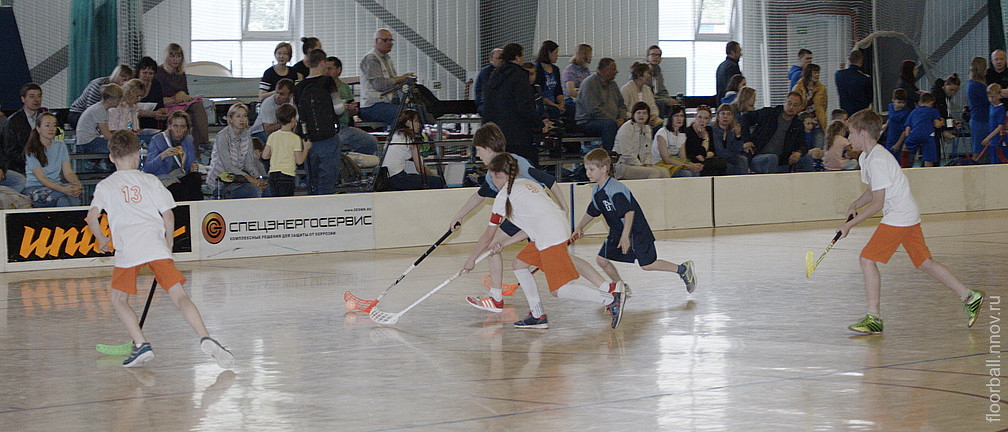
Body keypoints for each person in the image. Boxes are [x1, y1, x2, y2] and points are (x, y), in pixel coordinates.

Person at [85, 130, 235, 368]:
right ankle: (205, 336)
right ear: (138, 154)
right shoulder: (150, 180)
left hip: (128, 250)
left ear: (111, 157)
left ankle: (141, 344)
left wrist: (102, 239)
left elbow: (92, 217)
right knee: (180, 297)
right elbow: (167, 214)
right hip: (155, 246)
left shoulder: (105, 186)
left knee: (119, 299)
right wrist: (169, 243)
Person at [837, 109, 984, 334]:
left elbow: (877, 203)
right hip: (906, 214)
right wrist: (854, 205)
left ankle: (873, 317)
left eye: (851, 133)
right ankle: (970, 296)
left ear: (863, 133)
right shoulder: (867, 158)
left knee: (867, 260)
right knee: (925, 263)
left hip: (899, 216)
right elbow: (870, 191)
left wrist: (849, 225)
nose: (848, 139)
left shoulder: (877, 159)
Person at [460, 153, 627, 329]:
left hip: (550, 237)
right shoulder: (527, 184)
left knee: (558, 290)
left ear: (500, 175)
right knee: (519, 264)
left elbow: (488, 235)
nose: (492, 183)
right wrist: (502, 244)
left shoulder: (504, 196)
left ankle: (609, 298)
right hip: (551, 230)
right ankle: (537, 315)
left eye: (493, 178)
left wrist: (471, 260)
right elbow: (529, 226)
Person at [450, 123, 567, 312]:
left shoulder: (516, 163)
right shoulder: (493, 172)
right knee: (497, 248)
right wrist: (459, 216)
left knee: (561, 266)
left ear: (488, 148)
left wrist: (563, 208)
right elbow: (480, 195)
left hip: (538, 217)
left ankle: (606, 290)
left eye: (479, 150)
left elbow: (548, 180)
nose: (478, 155)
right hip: (520, 217)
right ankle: (497, 298)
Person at [574, 148, 697, 293]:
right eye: (587, 169)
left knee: (647, 265)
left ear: (604, 169)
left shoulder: (615, 190)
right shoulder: (596, 191)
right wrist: (579, 227)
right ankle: (620, 286)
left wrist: (626, 236)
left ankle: (683, 269)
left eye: (591, 169)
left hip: (636, 230)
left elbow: (629, 212)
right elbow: (592, 211)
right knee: (602, 260)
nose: (588, 173)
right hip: (618, 231)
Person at [482, 43, 546, 167]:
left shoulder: (494, 74)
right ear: (517, 58)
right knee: (526, 168)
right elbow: (525, 105)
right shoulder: (519, 75)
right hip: (518, 133)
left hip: (497, 132)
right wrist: (538, 124)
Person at [294, 48, 343, 195]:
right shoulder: (327, 81)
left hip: (308, 141)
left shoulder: (298, 87)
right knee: (327, 180)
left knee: (312, 181)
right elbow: (338, 109)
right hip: (328, 137)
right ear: (322, 62)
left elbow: (297, 115)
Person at [740, 91, 814, 173]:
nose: (791, 107)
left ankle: (810, 185)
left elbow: (803, 145)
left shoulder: (798, 124)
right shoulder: (769, 113)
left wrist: (798, 153)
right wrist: (746, 140)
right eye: (789, 103)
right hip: (758, 157)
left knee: (807, 158)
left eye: (795, 105)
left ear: (800, 108)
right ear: (784, 103)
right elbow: (745, 117)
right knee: (772, 158)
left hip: (782, 161)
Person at [155, 43, 210, 153]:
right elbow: (157, 98)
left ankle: (193, 151)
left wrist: (184, 97)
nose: (176, 59)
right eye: (172, 56)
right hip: (166, 105)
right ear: (167, 57)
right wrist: (175, 98)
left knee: (195, 108)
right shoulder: (159, 72)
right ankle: (202, 143)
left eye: (178, 56)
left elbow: (185, 93)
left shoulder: (181, 74)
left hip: (181, 105)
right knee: (191, 114)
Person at [206, 103, 267, 199]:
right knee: (254, 192)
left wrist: (258, 178)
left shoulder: (247, 137)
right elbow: (228, 167)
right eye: (238, 116)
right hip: (221, 182)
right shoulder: (223, 136)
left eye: (244, 116)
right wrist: (251, 179)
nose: (242, 119)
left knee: (265, 190)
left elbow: (249, 164)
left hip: (238, 180)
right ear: (230, 119)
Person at [360, 29, 417, 129]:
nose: (389, 43)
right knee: (404, 115)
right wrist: (400, 79)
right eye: (386, 40)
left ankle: (409, 140)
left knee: (414, 111)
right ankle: (399, 141)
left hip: (387, 102)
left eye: (391, 40)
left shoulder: (387, 59)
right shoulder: (371, 59)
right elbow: (379, 85)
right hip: (372, 105)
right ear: (377, 41)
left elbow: (394, 84)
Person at [324, 56, 380, 156]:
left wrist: (353, 109)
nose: (327, 72)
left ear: (339, 70)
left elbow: (352, 112)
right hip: (329, 130)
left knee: (371, 142)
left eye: (330, 69)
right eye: (325, 69)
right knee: (333, 145)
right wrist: (340, 108)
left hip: (345, 128)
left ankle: (358, 166)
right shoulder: (321, 88)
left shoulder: (345, 88)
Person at [24, 112, 82, 207]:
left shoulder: (60, 146)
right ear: (38, 128)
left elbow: (68, 172)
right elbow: (42, 179)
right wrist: (63, 189)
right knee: (63, 198)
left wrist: (76, 184)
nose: (51, 129)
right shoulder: (31, 150)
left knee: (72, 196)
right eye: (47, 125)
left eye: (54, 125)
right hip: (35, 188)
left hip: (56, 187)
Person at [144, 111, 203, 201]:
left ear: (186, 128)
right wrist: (163, 156)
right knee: (179, 190)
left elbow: (189, 165)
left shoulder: (188, 140)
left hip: (180, 175)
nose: (178, 130)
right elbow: (148, 168)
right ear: (169, 126)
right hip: (163, 177)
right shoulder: (158, 139)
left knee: (195, 178)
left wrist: (192, 167)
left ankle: (196, 212)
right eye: (175, 126)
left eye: (182, 126)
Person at [381, 109, 444, 190]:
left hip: (387, 178)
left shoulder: (395, 135)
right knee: (438, 182)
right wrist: (435, 176)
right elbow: (420, 169)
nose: (419, 125)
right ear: (408, 123)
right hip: (398, 179)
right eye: (416, 121)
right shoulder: (410, 138)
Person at [575, 58, 626, 152]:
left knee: (631, 123)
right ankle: (608, 156)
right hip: (588, 122)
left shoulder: (613, 84)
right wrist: (615, 120)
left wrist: (622, 118)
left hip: (612, 120)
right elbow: (593, 110)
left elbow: (621, 105)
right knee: (610, 125)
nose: (617, 72)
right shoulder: (590, 84)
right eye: (614, 69)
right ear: (605, 70)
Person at [262, 103, 310, 197]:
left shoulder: (273, 136)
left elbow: (265, 155)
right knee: (285, 203)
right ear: (293, 119)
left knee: (276, 201)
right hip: (287, 175)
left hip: (273, 174)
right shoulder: (295, 138)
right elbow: (299, 161)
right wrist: (306, 148)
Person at [0, 83, 41, 190]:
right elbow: (9, 151)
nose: (36, 100)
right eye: (32, 96)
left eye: (39, 96)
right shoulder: (12, 122)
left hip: (42, 163)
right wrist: (31, 160)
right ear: (23, 99)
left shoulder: (44, 119)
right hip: (20, 167)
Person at [612, 102, 668, 179]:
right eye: (638, 113)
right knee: (654, 172)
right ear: (633, 114)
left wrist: (647, 163)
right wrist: (641, 165)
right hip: (623, 165)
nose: (641, 115)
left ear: (648, 116)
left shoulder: (647, 128)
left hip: (639, 165)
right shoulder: (626, 128)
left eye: (644, 113)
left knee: (665, 172)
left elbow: (647, 152)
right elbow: (626, 154)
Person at [68, 65, 133, 128]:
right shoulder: (98, 85)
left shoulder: (118, 89)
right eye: (124, 80)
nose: (124, 83)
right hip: (79, 114)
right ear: (117, 76)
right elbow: (91, 108)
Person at [652, 105, 700, 177]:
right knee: (686, 174)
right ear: (671, 117)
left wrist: (692, 165)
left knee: (695, 172)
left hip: (675, 162)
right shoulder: (662, 133)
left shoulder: (682, 135)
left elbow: (683, 158)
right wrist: (686, 165)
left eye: (681, 116)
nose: (679, 119)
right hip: (660, 163)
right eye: (676, 116)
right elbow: (666, 159)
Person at [76, 84, 122, 154]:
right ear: (109, 100)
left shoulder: (103, 109)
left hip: (91, 141)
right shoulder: (99, 110)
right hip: (88, 143)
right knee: (120, 148)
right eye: (118, 100)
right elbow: (107, 136)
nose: (119, 103)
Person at [900, 92, 943, 167]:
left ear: (920, 102)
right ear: (931, 102)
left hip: (915, 134)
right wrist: (942, 121)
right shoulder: (933, 111)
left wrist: (908, 137)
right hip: (928, 135)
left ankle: (905, 168)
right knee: (929, 157)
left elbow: (907, 130)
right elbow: (937, 125)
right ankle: (928, 173)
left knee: (906, 148)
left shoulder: (913, 112)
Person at [249, 78, 294, 144]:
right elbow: (268, 130)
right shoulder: (268, 103)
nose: (277, 96)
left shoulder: (294, 103)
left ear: (290, 96)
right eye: (276, 92)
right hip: (259, 132)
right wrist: (287, 123)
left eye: (282, 94)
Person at [684, 106, 726, 176]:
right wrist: (705, 138)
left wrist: (704, 155)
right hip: (692, 160)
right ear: (695, 117)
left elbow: (712, 151)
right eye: (700, 117)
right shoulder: (688, 132)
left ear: (710, 119)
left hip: (705, 160)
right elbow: (696, 153)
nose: (702, 121)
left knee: (720, 163)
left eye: (706, 118)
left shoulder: (709, 130)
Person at [620, 62, 662, 129]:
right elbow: (623, 110)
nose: (649, 76)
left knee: (658, 123)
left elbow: (652, 106)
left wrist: (653, 116)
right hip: (632, 120)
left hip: (646, 119)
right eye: (647, 73)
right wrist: (638, 117)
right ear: (639, 75)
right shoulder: (626, 89)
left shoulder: (647, 89)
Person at [793, 63, 827, 143]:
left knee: (819, 149)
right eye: (815, 73)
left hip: (818, 122)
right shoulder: (798, 88)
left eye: (818, 73)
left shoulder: (821, 88)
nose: (817, 75)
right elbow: (795, 106)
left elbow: (824, 104)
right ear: (808, 73)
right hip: (803, 124)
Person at [534, 40, 567, 122]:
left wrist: (561, 104)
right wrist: (555, 105)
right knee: (554, 110)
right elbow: (539, 93)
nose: (557, 55)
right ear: (548, 53)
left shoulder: (555, 70)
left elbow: (558, 90)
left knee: (571, 110)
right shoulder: (537, 69)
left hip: (554, 102)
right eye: (555, 53)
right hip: (544, 103)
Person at [711, 104, 748, 175]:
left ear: (732, 117)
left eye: (728, 114)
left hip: (730, 158)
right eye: (723, 113)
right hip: (717, 158)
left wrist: (738, 136)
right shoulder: (713, 130)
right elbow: (719, 151)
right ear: (718, 116)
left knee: (742, 159)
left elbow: (738, 150)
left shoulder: (731, 131)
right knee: (739, 162)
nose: (725, 117)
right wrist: (733, 154)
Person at [135, 56, 168, 130]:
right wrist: (151, 114)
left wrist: (160, 113)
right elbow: (130, 111)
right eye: (144, 73)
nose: (147, 76)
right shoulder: (132, 85)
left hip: (154, 121)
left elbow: (162, 107)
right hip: (135, 121)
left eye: (151, 73)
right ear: (138, 72)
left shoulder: (156, 84)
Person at [835, 50, 872, 115]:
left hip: (845, 114)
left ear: (849, 59)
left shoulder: (838, 75)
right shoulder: (865, 79)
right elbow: (869, 100)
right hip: (860, 114)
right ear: (861, 61)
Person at [645, 45, 677, 118]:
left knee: (675, 107)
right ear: (647, 57)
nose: (656, 57)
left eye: (658, 55)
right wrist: (665, 100)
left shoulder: (658, 73)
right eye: (653, 54)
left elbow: (662, 91)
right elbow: (647, 95)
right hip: (646, 102)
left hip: (658, 100)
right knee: (660, 104)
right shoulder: (643, 73)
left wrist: (669, 99)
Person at [967, 57, 990, 155]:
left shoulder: (973, 83)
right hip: (981, 122)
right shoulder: (977, 85)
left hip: (980, 120)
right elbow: (990, 99)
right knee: (979, 152)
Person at [562, 44, 593, 114]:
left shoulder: (586, 70)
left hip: (583, 99)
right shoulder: (570, 70)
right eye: (590, 54)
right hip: (571, 101)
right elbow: (571, 92)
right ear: (584, 55)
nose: (591, 56)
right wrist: (586, 96)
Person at [981, 83, 1006, 165]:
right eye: (989, 97)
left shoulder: (1001, 108)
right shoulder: (991, 107)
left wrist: (988, 137)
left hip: (998, 140)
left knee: (999, 162)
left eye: (993, 97)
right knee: (992, 162)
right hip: (992, 141)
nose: (991, 99)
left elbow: (1000, 126)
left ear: (999, 95)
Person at [474, 48, 503, 114]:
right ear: (491, 59)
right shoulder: (486, 72)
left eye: (503, 58)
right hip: (486, 105)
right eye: (499, 58)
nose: (501, 60)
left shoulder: (504, 71)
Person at [883, 89, 910, 156]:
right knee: (888, 156)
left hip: (899, 137)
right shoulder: (890, 106)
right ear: (893, 100)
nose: (901, 105)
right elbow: (890, 117)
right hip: (890, 136)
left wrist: (898, 144)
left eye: (903, 103)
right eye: (899, 102)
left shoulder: (905, 112)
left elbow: (904, 131)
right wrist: (886, 125)